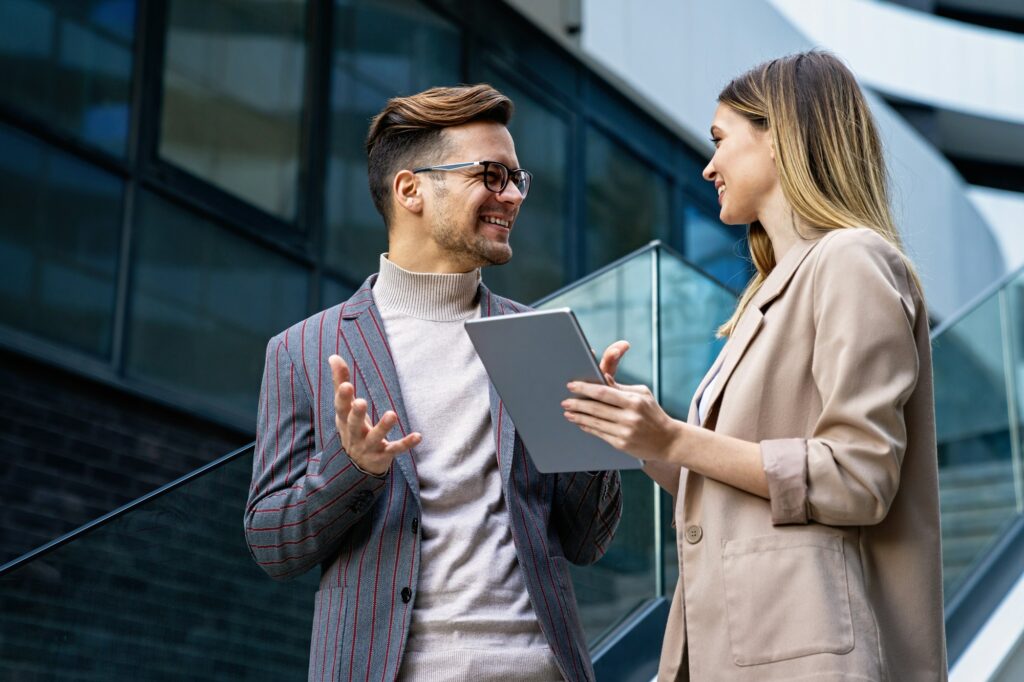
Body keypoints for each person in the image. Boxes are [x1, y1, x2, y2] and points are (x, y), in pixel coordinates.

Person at [562, 51, 946, 680]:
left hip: (807, 649)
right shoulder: (769, 292)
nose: (708, 165)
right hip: (741, 643)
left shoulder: (851, 259)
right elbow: (740, 482)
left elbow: (858, 476)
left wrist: (676, 436)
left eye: (719, 140)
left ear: (781, 138)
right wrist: (639, 437)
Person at [244, 84, 623, 682]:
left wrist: (589, 436)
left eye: (518, 178)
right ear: (411, 189)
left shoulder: (541, 339)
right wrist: (354, 469)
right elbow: (273, 543)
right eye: (492, 175)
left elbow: (586, 543)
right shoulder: (304, 350)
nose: (513, 196)